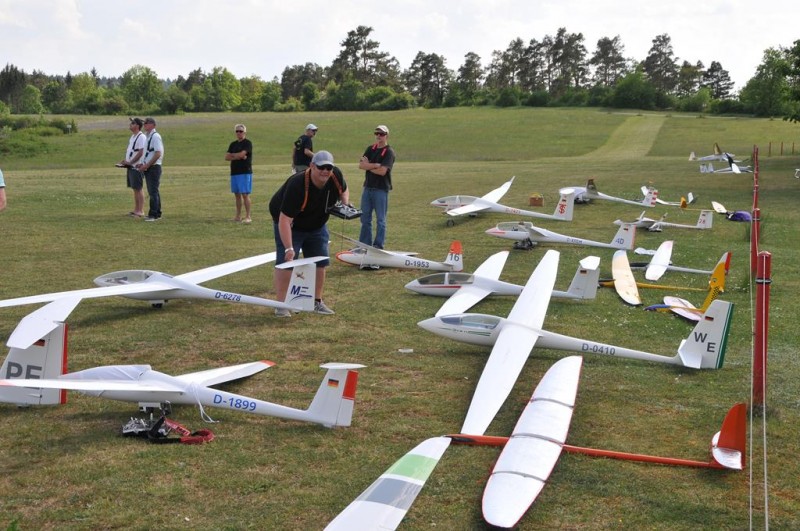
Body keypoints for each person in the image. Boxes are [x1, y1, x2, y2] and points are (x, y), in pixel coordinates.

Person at [269, 150, 349, 317]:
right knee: (287, 262)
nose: (325, 171)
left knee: (320, 261)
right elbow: (284, 220)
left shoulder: (335, 176)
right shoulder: (297, 184)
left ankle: (316, 302)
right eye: (321, 167)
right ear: (312, 166)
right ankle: (281, 305)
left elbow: (344, 189)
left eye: (329, 168)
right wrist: (289, 248)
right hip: (291, 223)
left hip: (317, 223)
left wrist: (345, 204)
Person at [357, 124, 395, 264]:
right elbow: (361, 165)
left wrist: (369, 166)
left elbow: (383, 171)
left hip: (381, 189)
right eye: (377, 133)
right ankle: (364, 245)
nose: (379, 136)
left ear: (386, 135)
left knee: (380, 220)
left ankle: (378, 246)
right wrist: (375, 165)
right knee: (365, 218)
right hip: (367, 188)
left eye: (382, 134)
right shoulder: (370, 149)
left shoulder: (389, 152)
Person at [136, 117, 164, 221]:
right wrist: (142, 163)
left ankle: (153, 215)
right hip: (150, 166)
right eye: (144, 123)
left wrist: (146, 165)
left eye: (147, 123)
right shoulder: (148, 136)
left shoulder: (155, 136)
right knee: (154, 191)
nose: (144, 125)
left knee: (153, 192)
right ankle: (157, 213)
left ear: (153, 125)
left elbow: (158, 153)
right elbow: (148, 153)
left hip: (154, 167)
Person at [224, 123, 253, 223]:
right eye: (237, 131)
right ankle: (238, 216)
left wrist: (233, 156)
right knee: (237, 194)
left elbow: (242, 155)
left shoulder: (247, 143)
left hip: (244, 171)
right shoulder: (233, 144)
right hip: (234, 172)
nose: (239, 133)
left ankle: (248, 216)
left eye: (241, 131)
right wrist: (238, 156)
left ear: (245, 132)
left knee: (245, 194)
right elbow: (226, 157)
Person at [119, 117, 147, 217]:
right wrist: (125, 162)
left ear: (137, 126)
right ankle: (136, 210)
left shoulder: (141, 137)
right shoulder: (133, 137)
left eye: (133, 123)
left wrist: (130, 162)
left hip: (137, 167)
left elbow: (141, 152)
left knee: (139, 188)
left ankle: (141, 211)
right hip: (131, 166)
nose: (130, 125)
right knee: (135, 189)